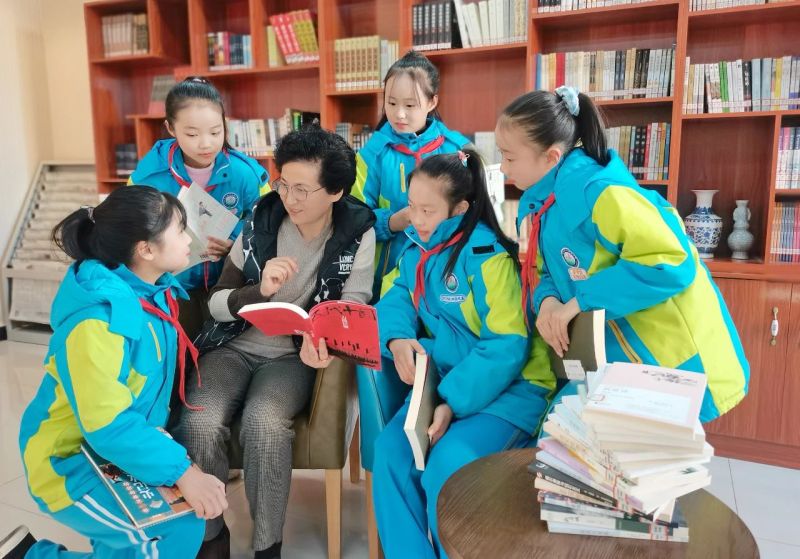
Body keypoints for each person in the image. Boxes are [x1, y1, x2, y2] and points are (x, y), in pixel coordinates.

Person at [172, 126, 376, 559]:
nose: (290, 199)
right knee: (199, 422)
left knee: (265, 423)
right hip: (233, 347)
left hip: (293, 358)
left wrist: (325, 347)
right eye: (284, 184)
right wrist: (258, 291)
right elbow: (217, 304)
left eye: (303, 189)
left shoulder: (358, 232)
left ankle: (268, 546)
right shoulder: (261, 221)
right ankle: (211, 538)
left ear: (335, 191)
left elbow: (353, 309)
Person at [496, 86, 749, 422]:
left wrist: (579, 301)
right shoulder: (546, 203)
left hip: (668, 356)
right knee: (569, 437)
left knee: (633, 447)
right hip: (616, 359)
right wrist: (548, 302)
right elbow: (548, 271)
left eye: (509, 157)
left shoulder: (601, 192)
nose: (502, 167)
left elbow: (669, 262)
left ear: (551, 157)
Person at [4, 186, 227, 559]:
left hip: (113, 450)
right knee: (177, 528)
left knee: (151, 538)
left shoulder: (152, 291)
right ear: (146, 250)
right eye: (179, 229)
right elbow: (108, 423)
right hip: (68, 463)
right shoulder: (99, 323)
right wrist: (183, 472)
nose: (189, 238)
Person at [371, 150, 555, 558]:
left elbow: (506, 346)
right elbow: (394, 298)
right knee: (390, 454)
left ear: (460, 209)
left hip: (511, 391)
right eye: (412, 207)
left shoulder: (487, 257)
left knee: (447, 465)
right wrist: (396, 339)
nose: (416, 220)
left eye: (428, 211)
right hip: (443, 385)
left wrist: (450, 403)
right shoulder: (417, 250)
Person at [128, 76, 269, 338]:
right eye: (192, 134)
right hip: (170, 287)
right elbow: (131, 233)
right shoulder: (148, 177)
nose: (206, 143)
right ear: (170, 128)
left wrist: (235, 243)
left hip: (228, 284)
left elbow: (267, 223)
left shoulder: (246, 173)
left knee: (219, 351)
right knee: (178, 350)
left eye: (215, 132)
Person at [352, 50, 470, 299]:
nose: (399, 114)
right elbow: (353, 218)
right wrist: (393, 222)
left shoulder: (459, 149)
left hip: (447, 274)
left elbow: (479, 213)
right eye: (391, 103)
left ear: (432, 102)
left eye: (409, 105)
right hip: (386, 279)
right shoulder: (371, 155)